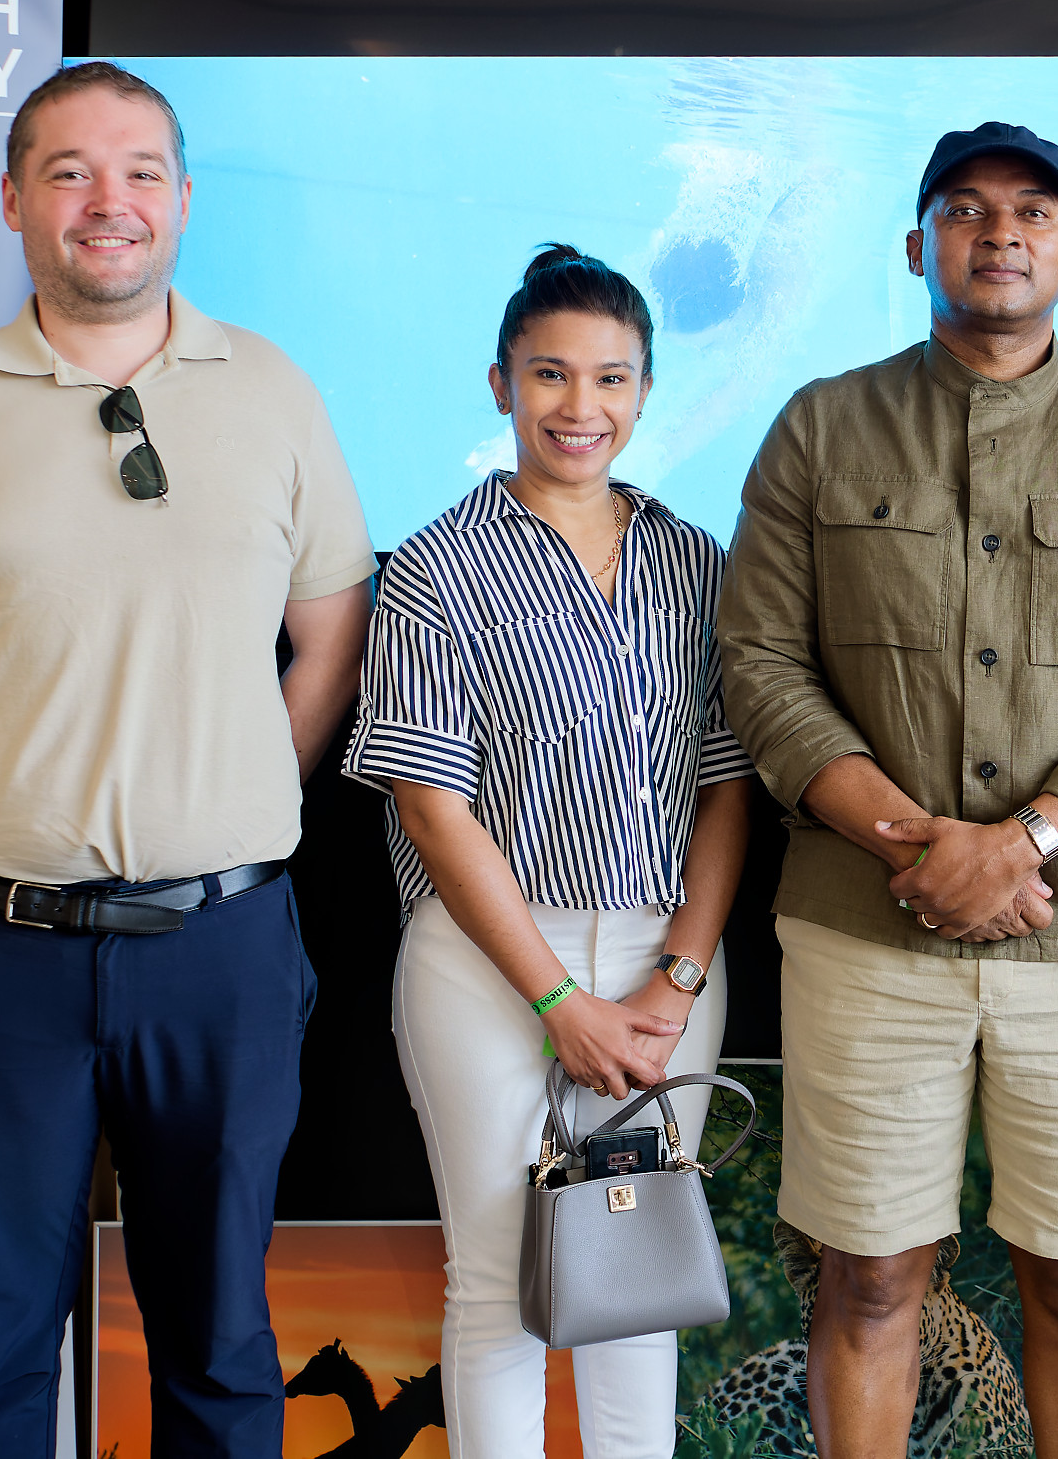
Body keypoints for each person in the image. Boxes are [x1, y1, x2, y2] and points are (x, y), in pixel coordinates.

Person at [0, 62, 376, 1458]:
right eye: (67, 172)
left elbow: (333, 636)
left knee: (220, 1347)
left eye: (137, 172)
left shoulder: (274, 390)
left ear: (183, 200)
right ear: (13, 200)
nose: (105, 201)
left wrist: (238, 796)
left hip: (222, 952)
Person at [716, 122, 1058, 1458]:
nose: (998, 231)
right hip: (863, 927)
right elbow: (759, 660)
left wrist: (1023, 841)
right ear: (916, 246)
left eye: (1030, 211)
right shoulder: (821, 424)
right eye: (963, 207)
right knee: (868, 1274)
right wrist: (923, 846)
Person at [345, 245, 754, 1459]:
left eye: (611, 378)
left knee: (638, 1280)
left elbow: (725, 785)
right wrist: (555, 1000)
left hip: (664, 965)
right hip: (489, 964)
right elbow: (431, 806)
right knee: (494, 1285)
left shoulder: (694, 559)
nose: (581, 407)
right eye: (550, 375)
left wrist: (676, 977)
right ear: (501, 384)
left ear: (645, 391)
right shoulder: (436, 566)